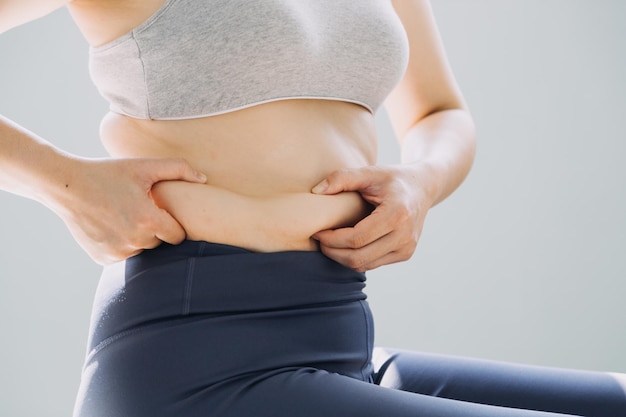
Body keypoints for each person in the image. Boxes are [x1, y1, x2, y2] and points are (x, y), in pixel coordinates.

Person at [1, 1, 625, 416]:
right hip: (197, 357)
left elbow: (440, 111)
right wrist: (68, 183)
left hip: (340, 335)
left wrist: (421, 182)